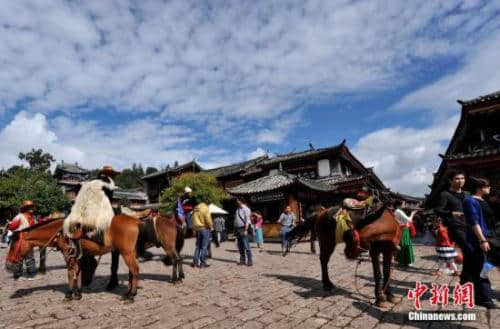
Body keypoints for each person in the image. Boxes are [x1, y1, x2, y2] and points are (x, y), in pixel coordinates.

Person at [462, 177, 498, 309]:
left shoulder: (484, 201)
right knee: (481, 268)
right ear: (479, 188)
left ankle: (478, 293)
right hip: (479, 238)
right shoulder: (469, 201)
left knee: (482, 266)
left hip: (491, 237)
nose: (489, 188)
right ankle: (485, 298)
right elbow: (474, 221)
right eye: (487, 186)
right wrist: (481, 239)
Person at [435, 171, 469, 256]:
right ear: (451, 181)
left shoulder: (467, 194)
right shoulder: (445, 195)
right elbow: (438, 210)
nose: (460, 181)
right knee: (468, 248)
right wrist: (451, 213)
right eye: (457, 179)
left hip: (468, 225)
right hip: (455, 227)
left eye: (462, 178)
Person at [7, 200, 38, 280]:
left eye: (31, 207)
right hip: (20, 239)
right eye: (29, 207)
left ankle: (31, 274)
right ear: (25, 208)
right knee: (18, 256)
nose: (31, 208)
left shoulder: (32, 217)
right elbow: (11, 227)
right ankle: (17, 275)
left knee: (30, 257)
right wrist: (15, 227)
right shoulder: (20, 216)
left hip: (29, 239)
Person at [191, 196, 213, 268]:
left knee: (198, 247)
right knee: (204, 247)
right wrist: (211, 226)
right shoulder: (205, 208)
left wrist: (194, 228)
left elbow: (192, 219)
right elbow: (208, 219)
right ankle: (202, 263)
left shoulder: (196, 208)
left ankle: (195, 262)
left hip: (197, 229)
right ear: (206, 202)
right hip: (204, 228)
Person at [394, 200, 417, 267]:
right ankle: (404, 261)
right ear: (400, 204)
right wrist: (413, 213)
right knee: (405, 244)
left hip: (402, 228)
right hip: (403, 229)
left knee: (404, 244)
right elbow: (409, 220)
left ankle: (404, 261)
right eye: (404, 203)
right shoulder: (399, 211)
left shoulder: (397, 211)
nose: (404, 205)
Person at [234, 198, 253, 266]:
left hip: (243, 228)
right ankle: (242, 259)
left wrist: (245, 230)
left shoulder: (246, 209)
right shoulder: (238, 209)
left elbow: (247, 220)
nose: (237, 202)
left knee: (246, 245)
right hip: (238, 229)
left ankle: (250, 260)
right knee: (240, 246)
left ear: (241, 201)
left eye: (237, 200)